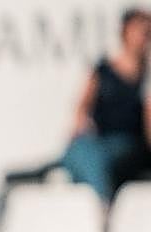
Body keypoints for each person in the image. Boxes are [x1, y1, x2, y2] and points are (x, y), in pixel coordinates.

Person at [60, 8, 151, 202]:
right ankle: (101, 200)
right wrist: (80, 126)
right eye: (141, 32)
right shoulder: (103, 70)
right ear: (125, 32)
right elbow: (82, 105)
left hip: (128, 144)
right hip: (101, 141)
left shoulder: (147, 75)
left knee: (93, 157)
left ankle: (102, 203)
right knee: (79, 150)